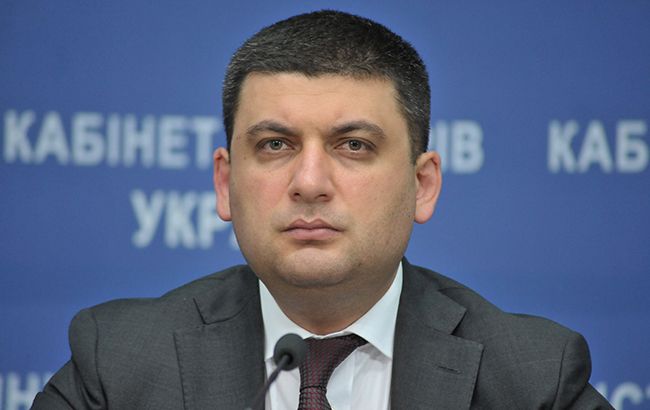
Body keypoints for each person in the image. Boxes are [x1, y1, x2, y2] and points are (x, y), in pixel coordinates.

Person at [32, 10, 613, 410]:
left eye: (353, 145)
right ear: (226, 183)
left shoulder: (534, 378)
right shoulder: (118, 362)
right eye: (274, 145)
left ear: (422, 185)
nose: (309, 183)